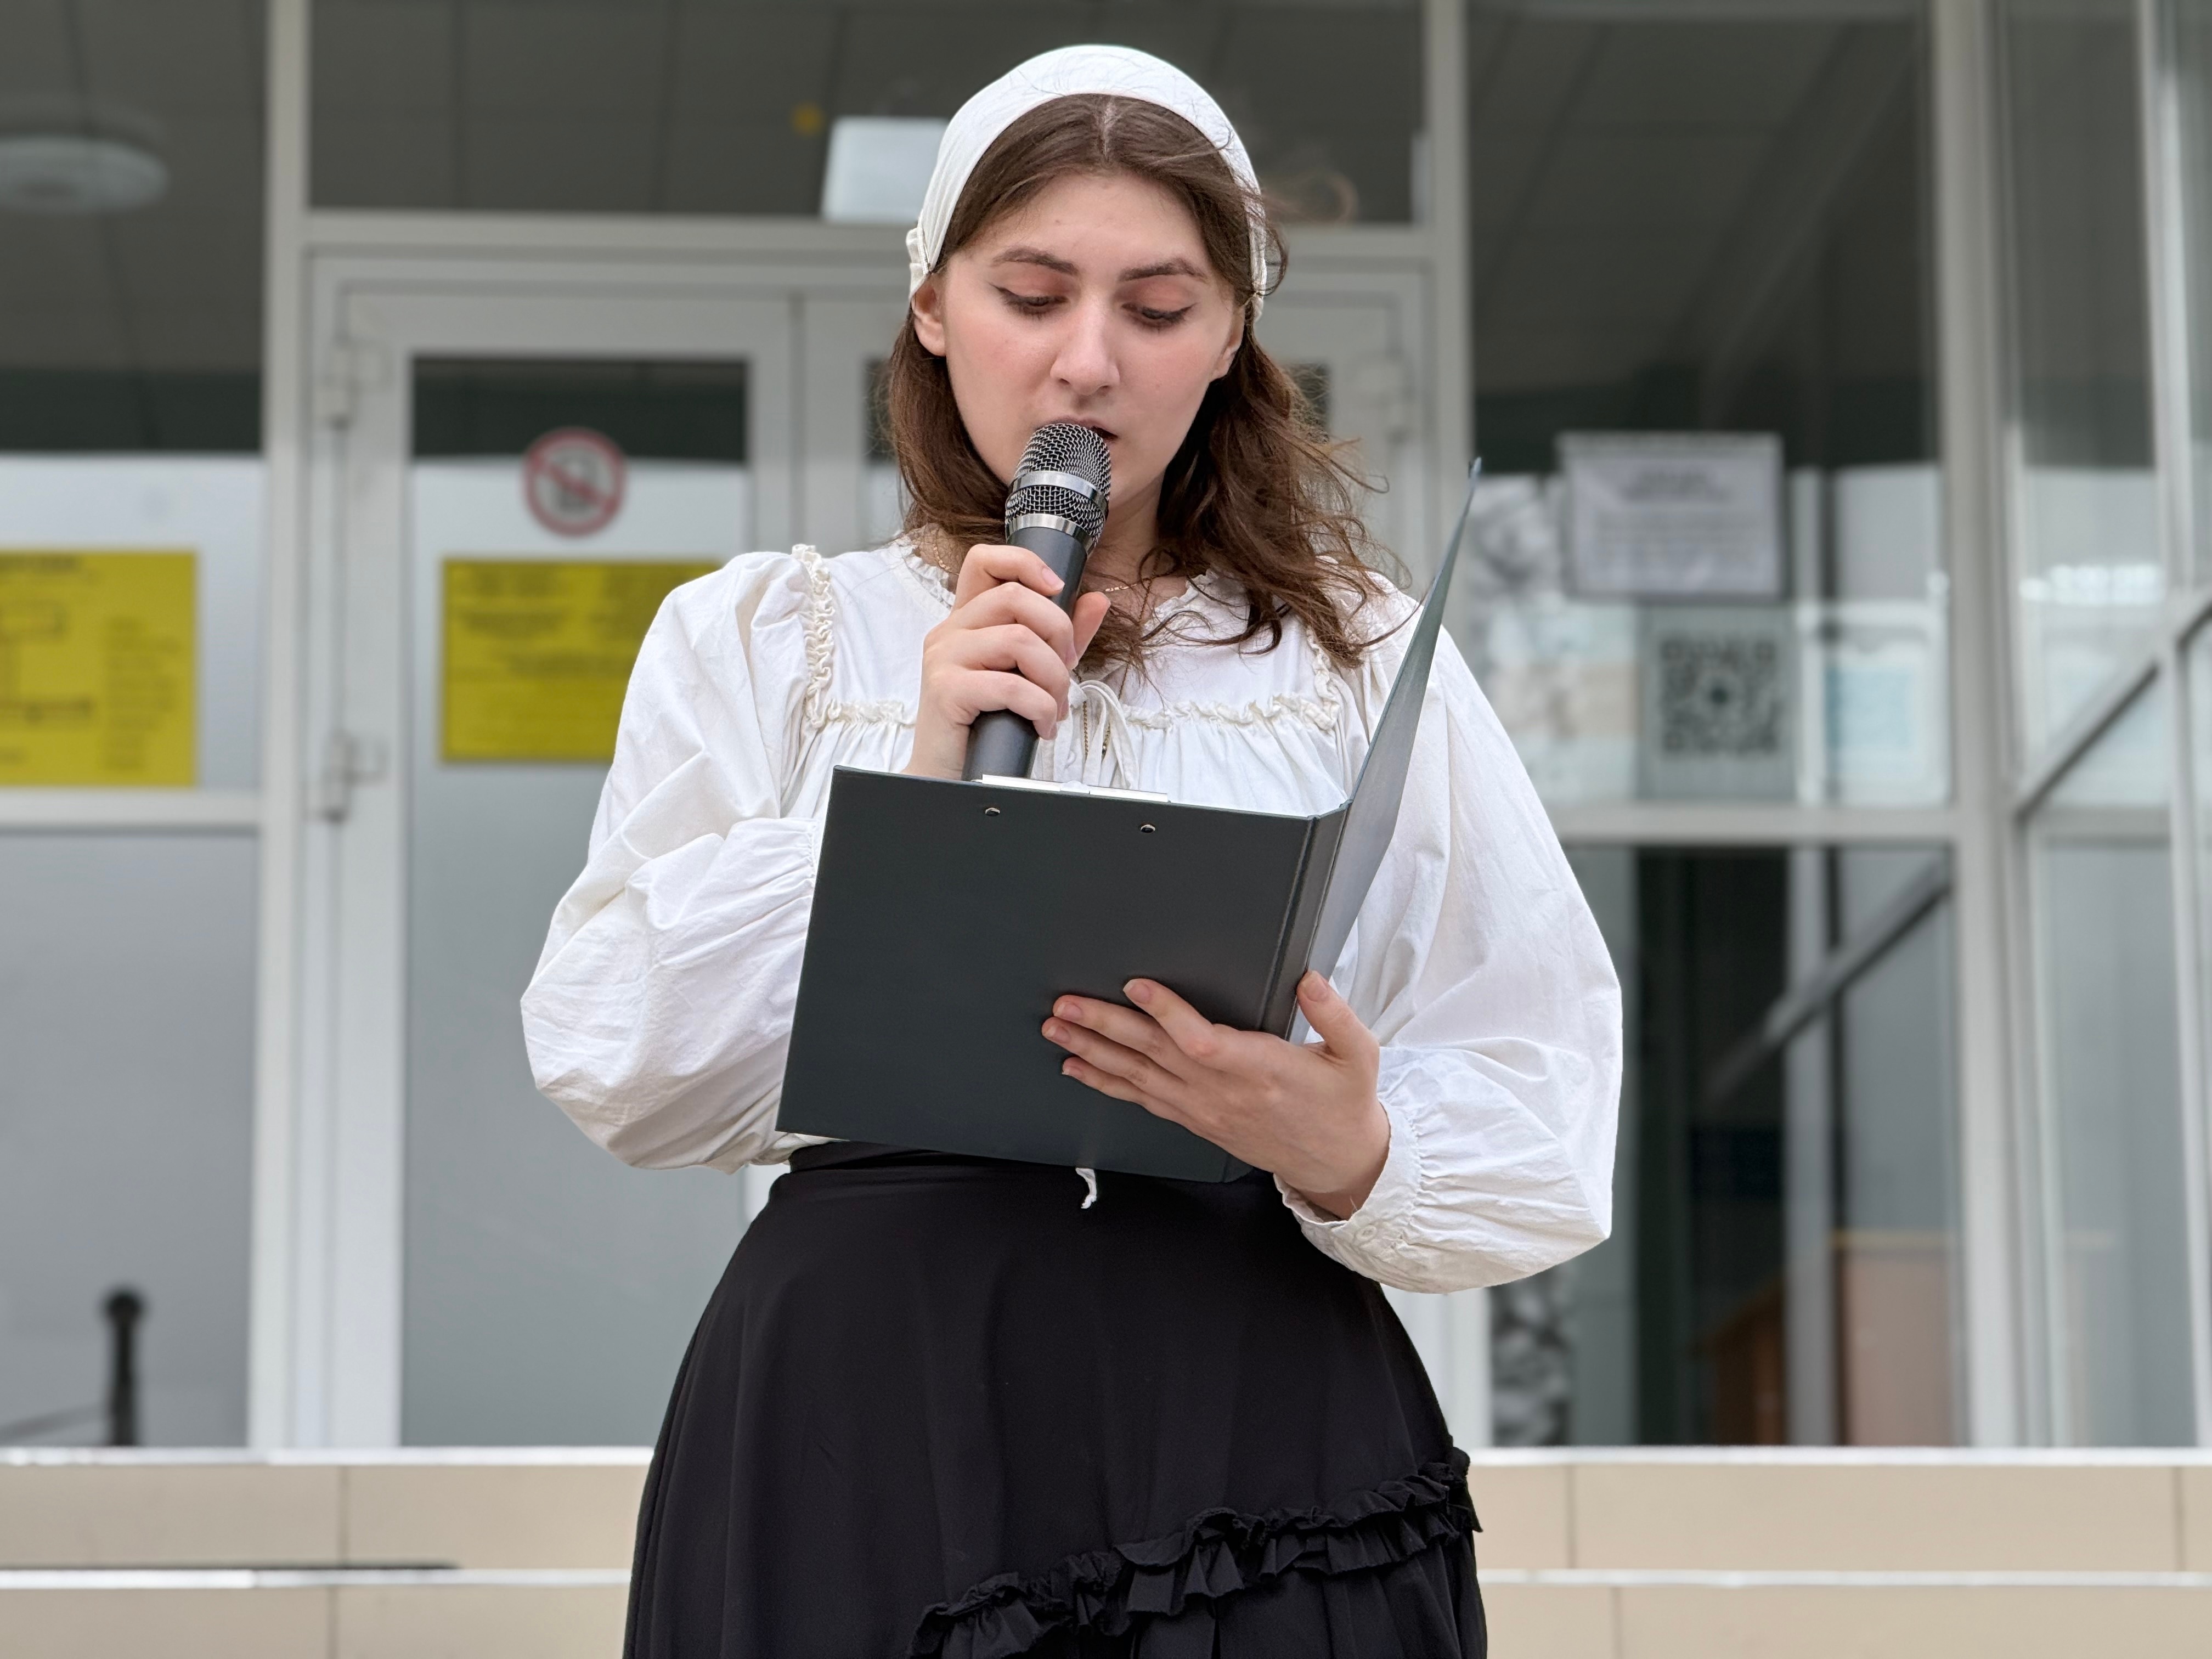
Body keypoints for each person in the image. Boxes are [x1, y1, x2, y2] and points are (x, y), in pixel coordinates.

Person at [522, 44, 1620, 1659]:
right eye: (1030, 296)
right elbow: (624, 1062)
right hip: (874, 1399)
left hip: (1252, 1405)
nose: (1086, 363)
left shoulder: (1360, 654)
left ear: (1233, 334)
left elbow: (1540, 1082)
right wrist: (912, 774)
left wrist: (1352, 1146)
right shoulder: (765, 637)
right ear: (932, 306)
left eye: (1158, 309)